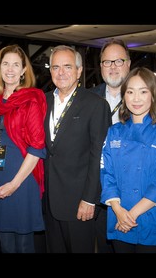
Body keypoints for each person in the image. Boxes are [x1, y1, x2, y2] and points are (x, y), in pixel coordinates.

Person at [100, 67, 156, 253]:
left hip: (152, 219)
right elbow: (106, 172)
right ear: (124, 96)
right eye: (130, 92)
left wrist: (130, 215)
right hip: (118, 217)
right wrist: (119, 211)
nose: (136, 98)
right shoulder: (114, 132)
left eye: (143, 91)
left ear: (153, 95)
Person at [44, 45, 111, 253]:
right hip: (47, 200)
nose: (61, 72)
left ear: (79, 71)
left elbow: (99, 155)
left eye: (67, 66)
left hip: (79, 202)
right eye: (55, 67)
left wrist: (90, 199)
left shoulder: (96, 104)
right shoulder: (42, 101)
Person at [0, 44, 46, 253]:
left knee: (24, 246)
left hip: (22, 180)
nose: (10, 69)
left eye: (16, 65)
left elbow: (37, 147)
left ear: (24, 70)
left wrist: (14, 185)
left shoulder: (31, 100)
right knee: (4, 244)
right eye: (5, 63)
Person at [89, 38, 131, 253]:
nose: (113, 67)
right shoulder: (87, 99)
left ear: (129, 64)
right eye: (107, 62)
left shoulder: (143, 98)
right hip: (96, 193)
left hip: (132, 194)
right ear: (100, 66)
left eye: (118, 61)